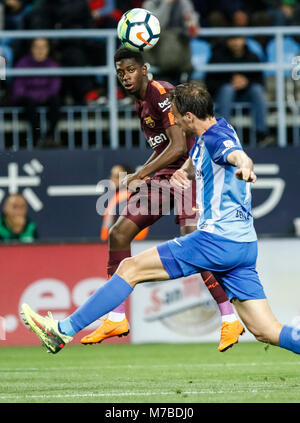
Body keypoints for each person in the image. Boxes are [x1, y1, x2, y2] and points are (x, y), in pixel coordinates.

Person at [21, 82, 300, 358]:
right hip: (244, 246)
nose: (174, 121)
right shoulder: (217, 128)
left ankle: (63, 330)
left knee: (130, 268)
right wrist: (187, 171)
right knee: (265, 330)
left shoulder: (218, 140)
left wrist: (246, 168)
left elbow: (237, 156)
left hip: (216, 241)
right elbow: (203, 152)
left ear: (189, 117)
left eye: (177, 116)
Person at [205, 35, 275, 146]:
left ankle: (262, 134)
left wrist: (246, 82)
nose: (235, 42)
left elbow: (260, 81)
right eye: (232, 38)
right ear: (227, 41)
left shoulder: (252, 57)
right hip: (222, 97)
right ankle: (224, 134)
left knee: (257, 90)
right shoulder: (217, 56)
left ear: (244, 40)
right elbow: (210, 83)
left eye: (238, 38)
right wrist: (230, 81)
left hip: (246, 95)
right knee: (228, 89)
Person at [11, 37, 61, 148]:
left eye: (43, 47)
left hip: (45, 98)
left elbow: (54, 88)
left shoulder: (53, 65)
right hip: (28, 101)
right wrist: (37, 96)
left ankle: (50, 136)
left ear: (48, 49)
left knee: (55, 101)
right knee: (30, 103)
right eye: (37, 47)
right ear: (31, 49)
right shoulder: (22, 64)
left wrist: (40, 96)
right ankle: (38, 138)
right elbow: (19, 90)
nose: (40, 50)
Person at [100, 164, 149, 242]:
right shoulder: (118, 197)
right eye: (112, 175)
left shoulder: (126, 197)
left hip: (129, 244)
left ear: (127, 178)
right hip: (120, 243)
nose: (112, 179)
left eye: (117, 176)